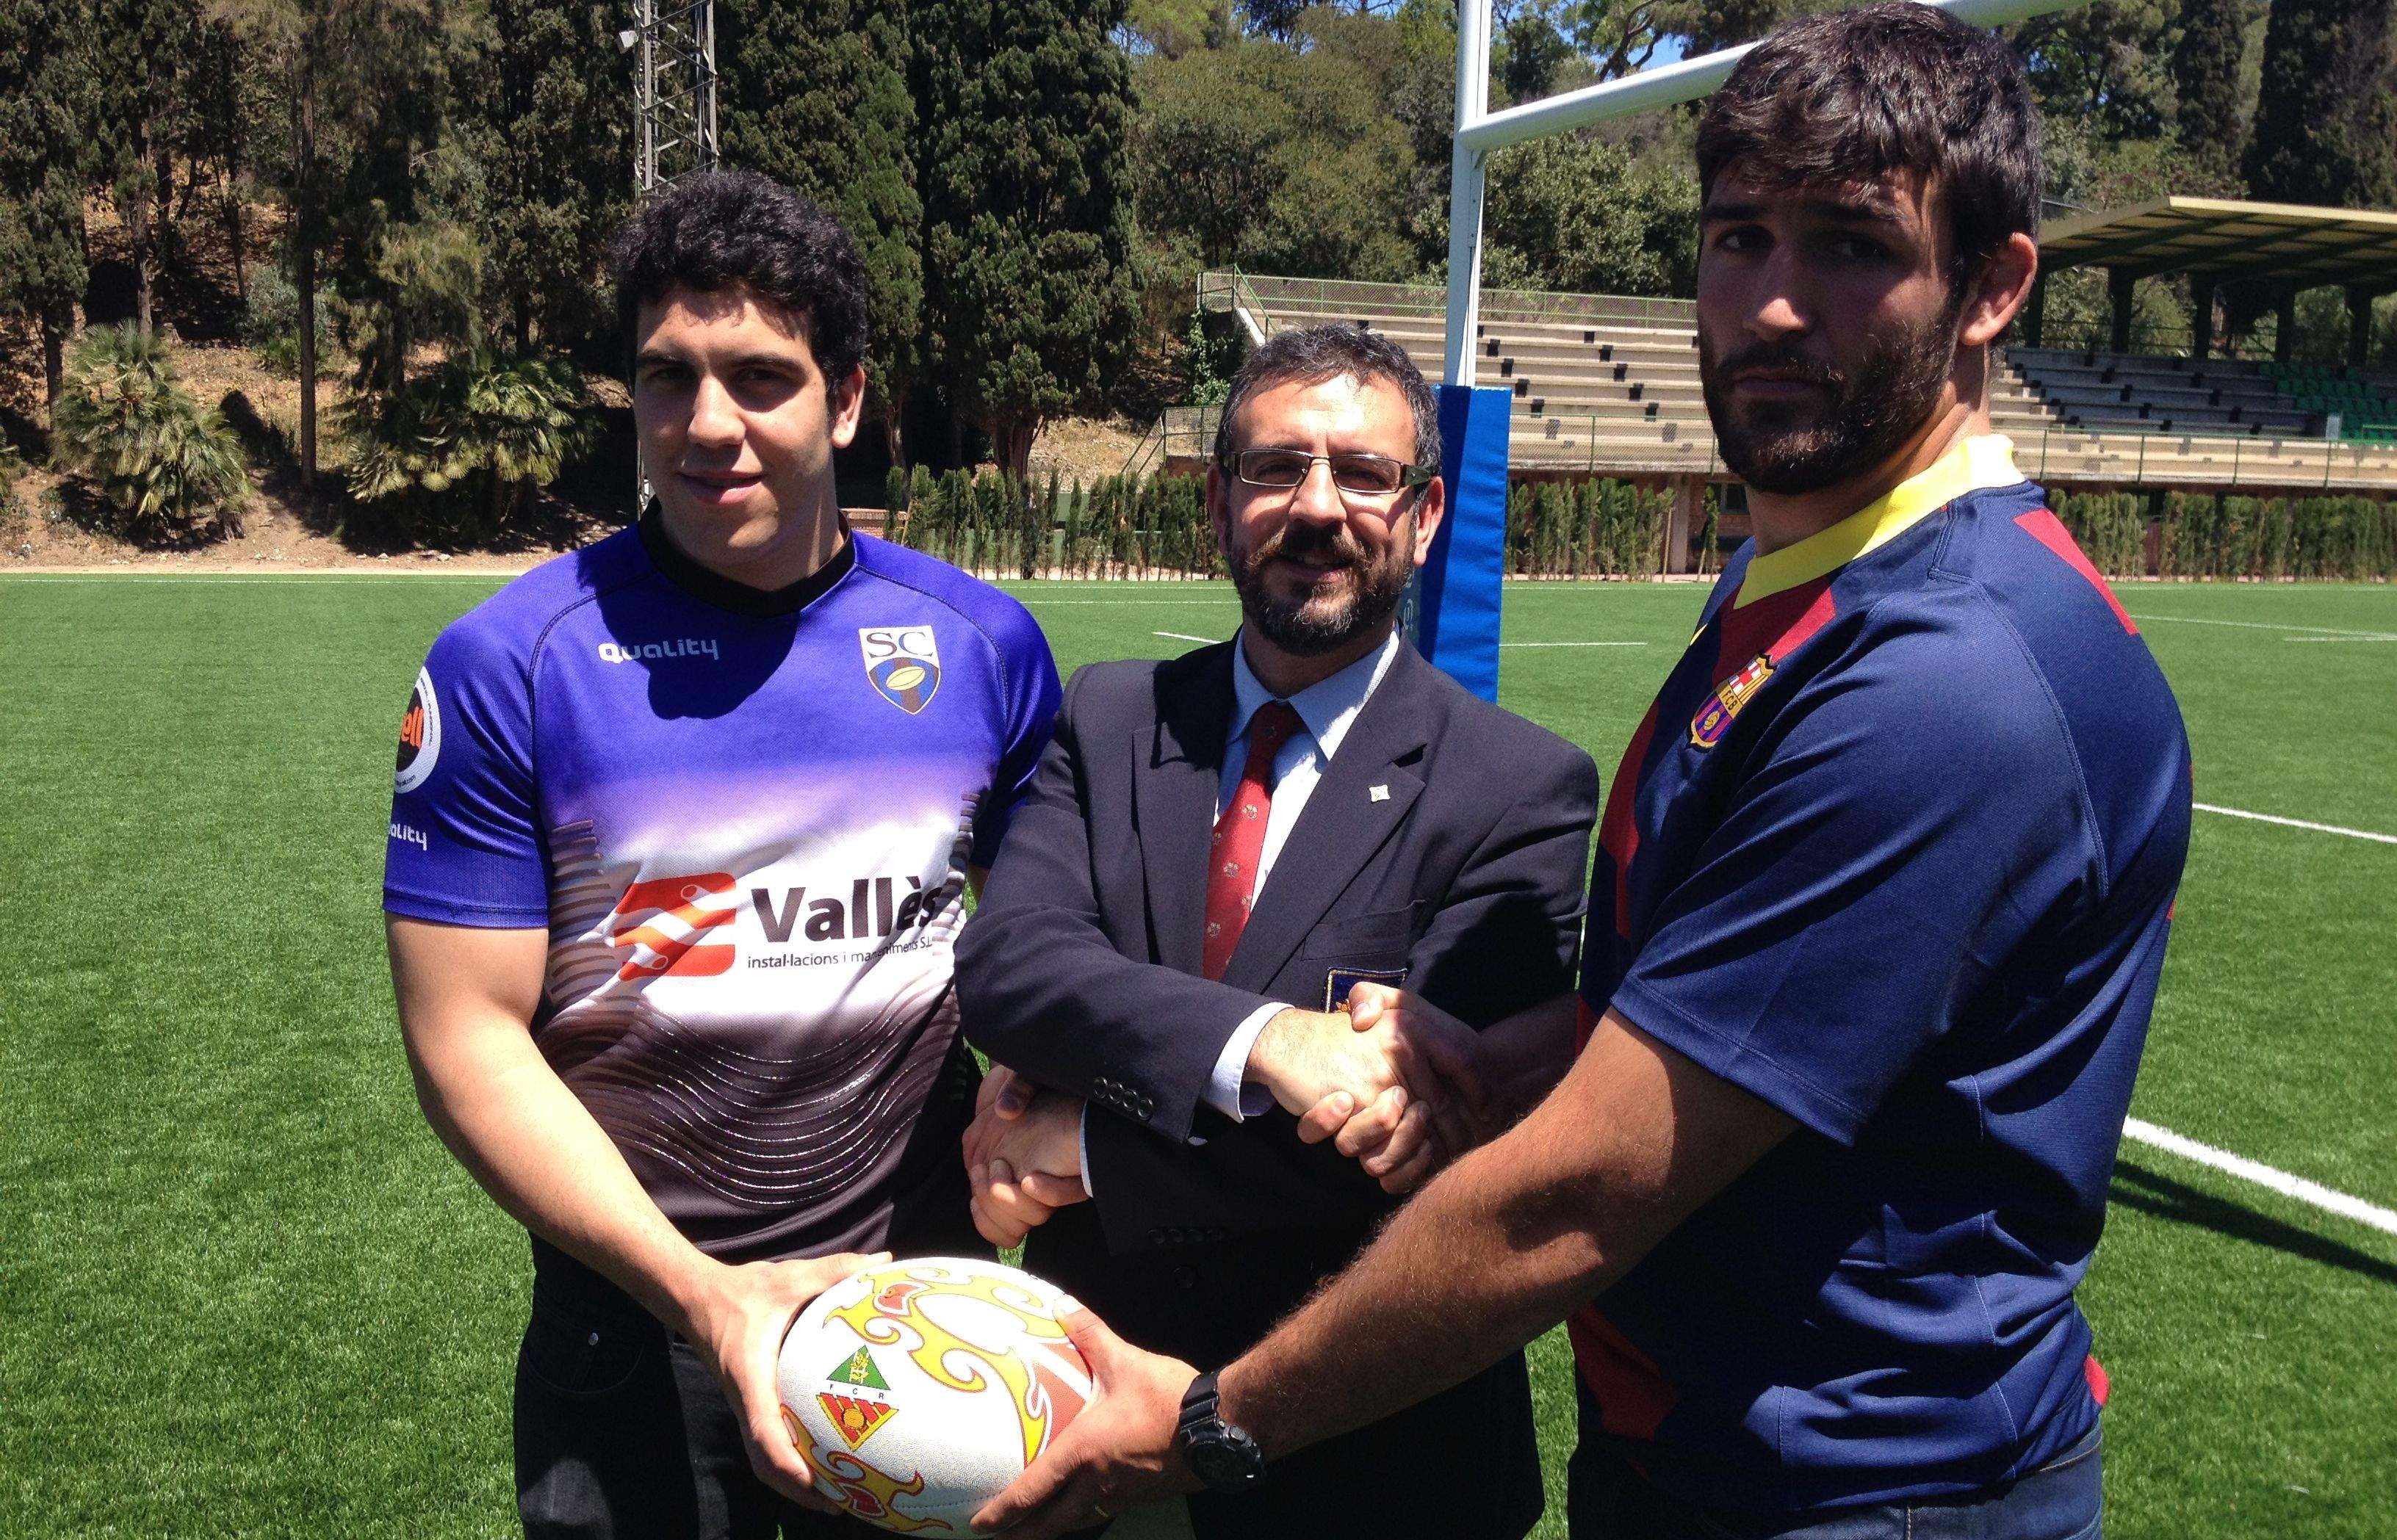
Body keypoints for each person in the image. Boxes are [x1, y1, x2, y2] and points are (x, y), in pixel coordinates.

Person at [967, 8, 2193, 1538]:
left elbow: (1583, 1191)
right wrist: (1492, 1055)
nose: (1778, 306)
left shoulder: (1947, 682)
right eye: (1740, 237)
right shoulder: (1810, 588)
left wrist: (1218, 1414)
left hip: (1859, 1489)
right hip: (1718, 1454)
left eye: (1852, 244)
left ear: (1993, 285)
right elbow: (1696, 1018)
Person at [382, 170, 1060, 1539]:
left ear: (849, 397)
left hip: (916, 1323)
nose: (708, 426)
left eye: (761, 376)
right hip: (634, 1325)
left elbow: (1050, 940)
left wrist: (1038, 1095)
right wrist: (700, 1289)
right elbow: (465, 1037)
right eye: (666, 378)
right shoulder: (510, 663)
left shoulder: (983, 646)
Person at [950, 322, 1599, 1539]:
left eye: (1363, 473)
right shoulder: (1113, 712)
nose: (1317, 507)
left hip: (1369, 1453)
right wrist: (1264, 1042)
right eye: (1274, 468)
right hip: (1090, 1416)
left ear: (1424, 511)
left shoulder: (1518, 785)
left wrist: (1082, 1142)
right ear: (1216, 500)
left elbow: (1423, 1140)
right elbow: (1010, 968)